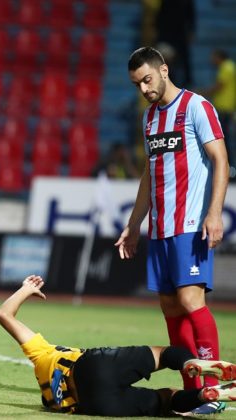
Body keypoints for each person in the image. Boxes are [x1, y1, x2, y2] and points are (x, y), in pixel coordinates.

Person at [115, 46, 230, 415]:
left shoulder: (197, 107)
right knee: (170, 307)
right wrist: (134, 224)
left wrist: (215, 213)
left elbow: (221, 159)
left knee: (191, 301)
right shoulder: (149, 118)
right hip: (160, 228)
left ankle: (215, 390)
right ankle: (194, 392)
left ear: (164, 70)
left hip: (191, 224)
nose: (144, 89)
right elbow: (150, 174)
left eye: (147, 79)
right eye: (137, 84)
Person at [0, 276, 236, 416]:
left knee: (167, 400)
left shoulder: (52, 401)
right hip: (90, 366)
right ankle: (191, 363)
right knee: (164, 354)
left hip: (96, 404)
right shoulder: (41, 356)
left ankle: (203, 395)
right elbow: (4, 314)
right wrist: (26, 289)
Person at [206, 49, 235, 176]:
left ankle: (228, 169)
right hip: (225, 108)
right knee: (224, 139)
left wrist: (201, 93)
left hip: (225, 108)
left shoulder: (227, 67)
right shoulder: (228, 66)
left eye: (214, 57)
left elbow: (219, 86)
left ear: (219, 57)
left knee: (223, 140)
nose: (212, 60)